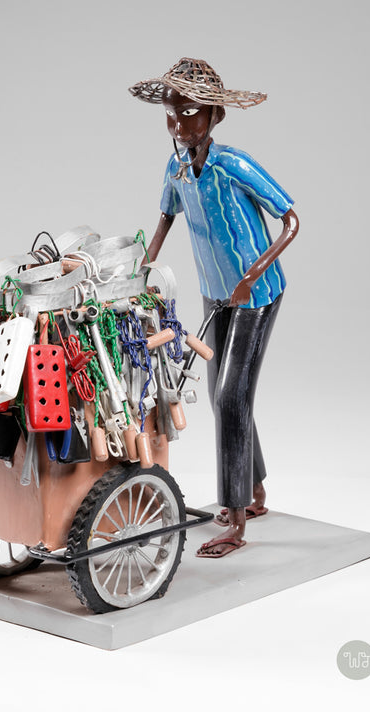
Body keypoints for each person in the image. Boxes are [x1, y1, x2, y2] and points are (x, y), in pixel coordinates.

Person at [129, 58, 299, 557]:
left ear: (214, 115)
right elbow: (165, 218)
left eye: (189, 113)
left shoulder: (235, 164)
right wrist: (143, 271)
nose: (178, 125)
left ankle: (237, 519)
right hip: (214, 290)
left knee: (230, 397)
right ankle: (257, 489)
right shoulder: (177, 167)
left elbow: (290, 219)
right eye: (170, 115)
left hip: (256, 292)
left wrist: (251, 275)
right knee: (227, 392)